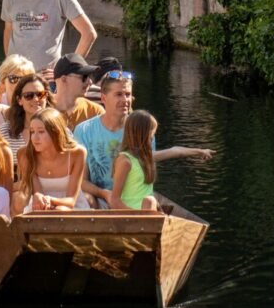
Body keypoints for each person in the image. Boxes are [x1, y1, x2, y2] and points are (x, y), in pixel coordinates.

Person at [74, 70, 215, 207]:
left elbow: (145, 175)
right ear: (103, 98)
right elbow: (81, 180)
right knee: (86, 199)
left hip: (132, 199)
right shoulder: (84, 130)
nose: (125, 100)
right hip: (99, 198)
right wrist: (104, 194)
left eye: (128, 94)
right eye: (118, 94)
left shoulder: (141, 129)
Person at [15, 108, 89, 212]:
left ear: (56, 132)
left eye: (41, 132)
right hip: (40, 207)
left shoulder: (77, 153)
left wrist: (50, 199)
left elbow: (71, 201)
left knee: (60, 210)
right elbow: (38, 192)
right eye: (32, 132)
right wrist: (38, 196)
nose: (35, 138)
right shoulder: (25, 154)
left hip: (69, 207)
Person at [110, 110, 161, 212]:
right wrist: (137, 216)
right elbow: (114, 200)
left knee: (150, 200)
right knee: (149, 201)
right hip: (132, 218)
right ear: (141, 134)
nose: (152, 137)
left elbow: (146, 192)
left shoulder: (144, 159)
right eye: (151, 133)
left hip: (147, 211)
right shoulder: (125, 160)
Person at [0, 73, 50, 159]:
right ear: (19, 100)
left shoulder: (59, 130)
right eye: (29, 96)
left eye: (40, 94)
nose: (36, 99)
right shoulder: (5, 132)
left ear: (46, 97)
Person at [52, 53, 103, 132]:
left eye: (89, 76)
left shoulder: (95, 112)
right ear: (64, 79)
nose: (90, 82)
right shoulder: (43, 108)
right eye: (84, 77)